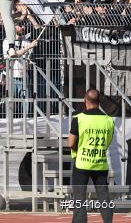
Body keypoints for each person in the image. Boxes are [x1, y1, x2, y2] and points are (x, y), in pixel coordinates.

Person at [68, 88, 114, 223]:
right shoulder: (108, 120)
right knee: (104, 196)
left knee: (79, 197)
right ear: (99, 102)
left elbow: (71, 143)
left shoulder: (79, 119)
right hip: (100, 163)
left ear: (84, 101)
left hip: (82, 163)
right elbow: (108, 141)